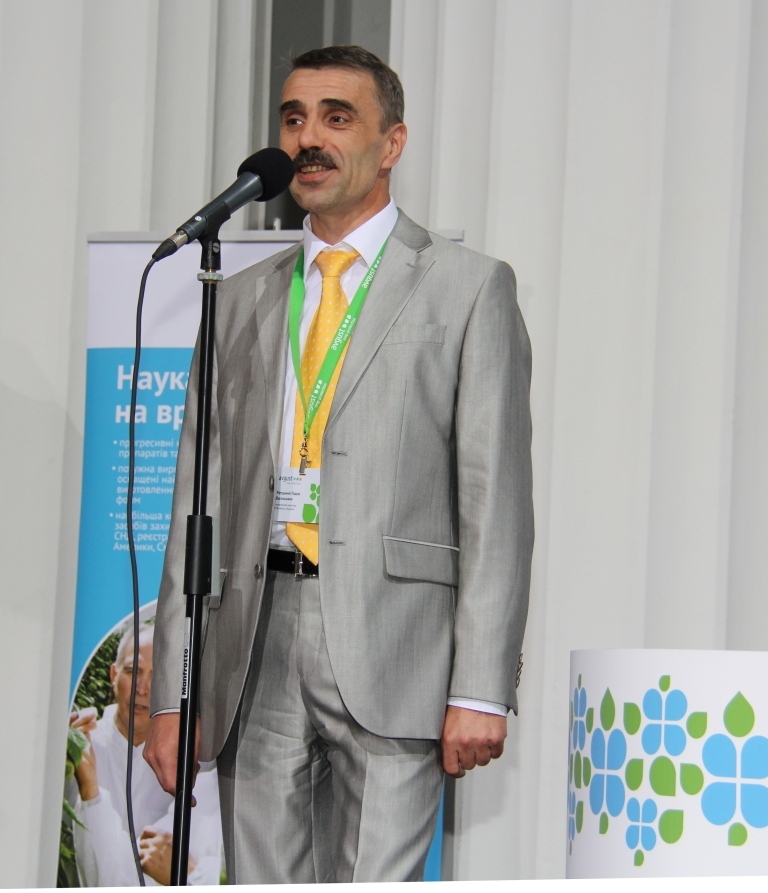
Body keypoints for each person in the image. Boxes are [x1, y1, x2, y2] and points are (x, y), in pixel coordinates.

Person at [145, 45, 533, 883]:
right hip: (254, 643)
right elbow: (194, 508)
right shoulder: (239, 297)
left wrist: (481, 685)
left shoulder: (468, 288)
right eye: (293, 118)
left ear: (392, 143)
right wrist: (174, 690)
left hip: (398, 645)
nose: (307, 138)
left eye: (336, 116)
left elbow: (495, 501)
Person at [69, 624, 222, 886]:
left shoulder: (198, 765)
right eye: (133, 671)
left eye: (159, 677)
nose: (143, 688)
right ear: (114, 674)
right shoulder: (80, 747)